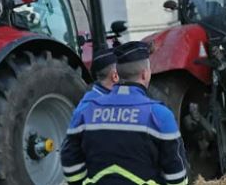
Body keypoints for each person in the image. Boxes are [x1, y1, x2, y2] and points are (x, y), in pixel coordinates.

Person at [61, 41, 189, 185]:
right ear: (145, 74)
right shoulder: (160, 115)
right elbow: (177, 177)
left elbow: (69, 158)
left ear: (118, 74)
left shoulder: (85, 111)